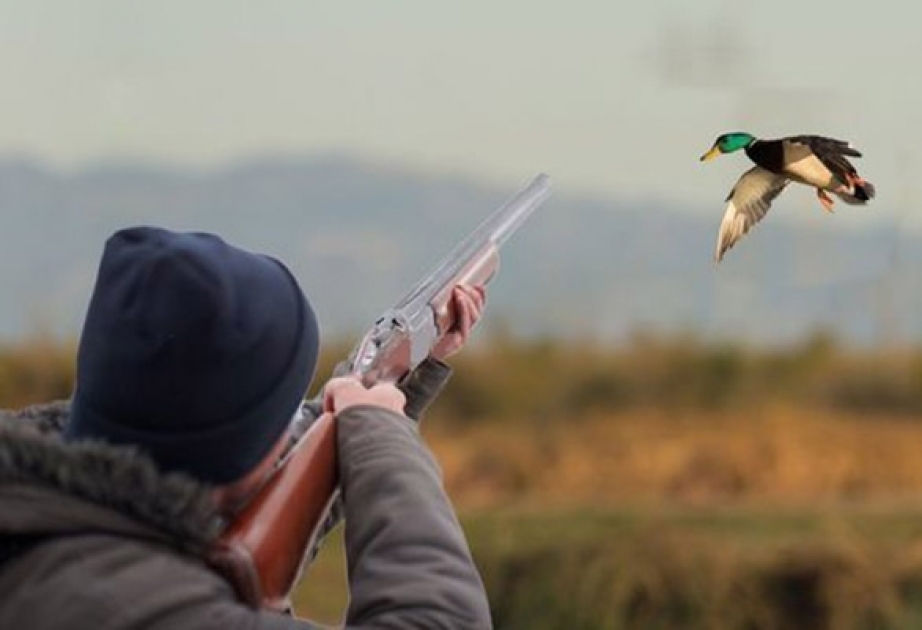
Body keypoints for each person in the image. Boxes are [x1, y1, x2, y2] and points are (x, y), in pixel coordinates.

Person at [0, 226, 492, 629]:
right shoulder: (157, 610)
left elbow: (266, 497)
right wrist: (381, 436)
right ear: (236, 452)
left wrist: (401, 379)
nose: (292, 433)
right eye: (284, 415)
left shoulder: (52, 529)